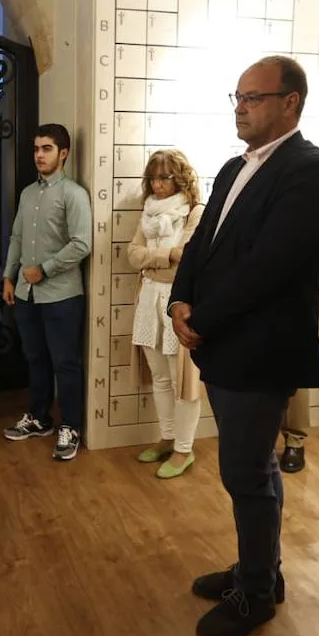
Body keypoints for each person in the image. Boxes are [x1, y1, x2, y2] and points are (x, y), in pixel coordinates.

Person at [169, 55, 319, 636]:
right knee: (256, 467)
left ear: (290, 102)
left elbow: (271, 266)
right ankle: (260, 569)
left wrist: (205, 319)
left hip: (259, 347)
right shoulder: (230, 167)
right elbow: (201, 244)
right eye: (237, 97)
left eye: (253, 97)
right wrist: (178, 302)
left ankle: (257, 595)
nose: (240, 107)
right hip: (223, 338)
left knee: (245, 471)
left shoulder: (310, 170)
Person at [1, 123, 92, 460]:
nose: (39, 155)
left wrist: (46, 269)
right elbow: (17, 239)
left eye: (47, 149)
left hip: (62, 296)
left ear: (63, 153)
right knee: (35, 358)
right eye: (36, 149)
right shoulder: (28, 193)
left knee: (65, 363)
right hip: (26, 295)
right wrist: (10, 277)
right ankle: (39, 418)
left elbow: (82, 243)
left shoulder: (74, 194)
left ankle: (71, 426)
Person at [126, 148, 205, 478]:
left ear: (181, 177)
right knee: (159, 375)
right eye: (153, 178)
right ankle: (168, 437)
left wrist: (154, 257)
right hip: (148, 298)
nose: (157, 185)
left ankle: (184, 449)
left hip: (179, 303)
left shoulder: (195, 211)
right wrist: (166, 255)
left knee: (182, 380)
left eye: (164, 177)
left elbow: (186, 260)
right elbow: (132, 255)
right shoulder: (148, 211)